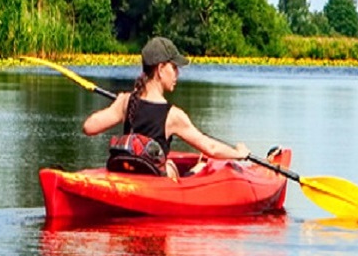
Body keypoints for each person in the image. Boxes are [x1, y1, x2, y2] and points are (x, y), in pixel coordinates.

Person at [82, 36, 249, 178]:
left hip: (129, 174)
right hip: (155, 181)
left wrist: (117, 104)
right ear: (161, 69)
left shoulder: (126, 102)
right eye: (174, 67)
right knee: (198, 166)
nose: (177, 74)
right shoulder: (173, 115)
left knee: (173, 162)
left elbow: (89, 127)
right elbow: (210, 148)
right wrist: (238, 154)